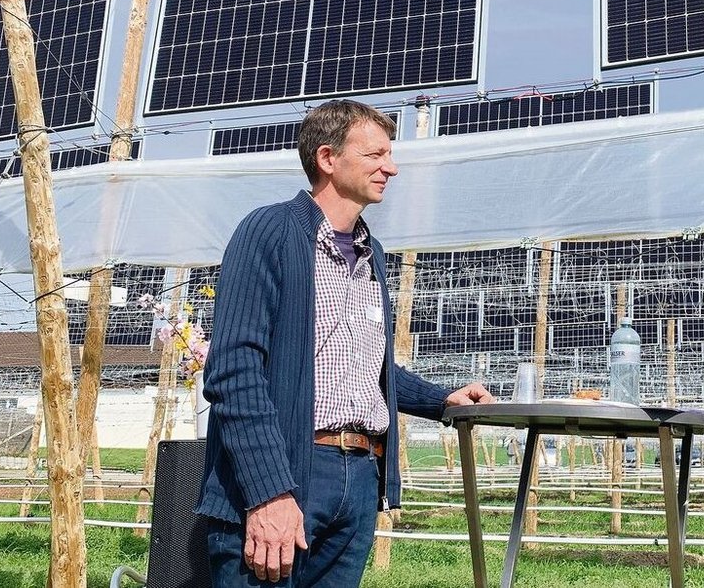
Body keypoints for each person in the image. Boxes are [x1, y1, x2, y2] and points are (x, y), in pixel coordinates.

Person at [196, 100, 495, 587]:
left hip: (359, 475)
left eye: (389, 155)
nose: (391, 167)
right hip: (290, 468)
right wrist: (269, 491)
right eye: (375, 154)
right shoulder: (269, 232)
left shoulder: (370, 252)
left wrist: (441, 399)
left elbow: (367, 364)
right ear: (328, 158)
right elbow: (234, 371)